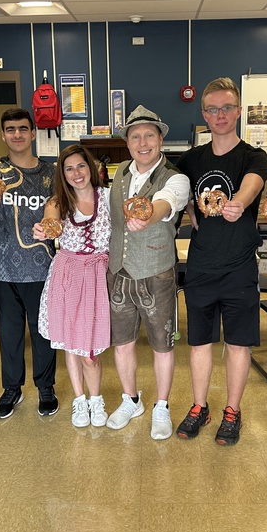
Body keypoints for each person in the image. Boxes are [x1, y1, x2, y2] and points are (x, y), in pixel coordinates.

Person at [175, 77, 267, 445]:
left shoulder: (253, 155)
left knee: (238, 343)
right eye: (212, 109)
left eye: (227, 108)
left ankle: (233, 410)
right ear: (204, 114)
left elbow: (252, 184)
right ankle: (200, 406)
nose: (220, 115)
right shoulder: (191, 159)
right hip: (200, 265)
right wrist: (186, 208)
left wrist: (240, 203)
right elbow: (175, 187)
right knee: (199, 342)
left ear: (239, 111)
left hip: (239, 265)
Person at [105, 105, 189, 440]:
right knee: (122, 342)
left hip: (156, 273)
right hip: (118, 271)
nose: (142, 142)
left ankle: (162, 406)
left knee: (162, 345)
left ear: (160, 139)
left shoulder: (176, 177)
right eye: (135, 136)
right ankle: (131, 400)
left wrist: (147, 215)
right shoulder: (120, 172)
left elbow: (166, 202)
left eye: (149, 136)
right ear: (127, 142)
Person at [0, 108, 57, 419]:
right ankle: (11, 388)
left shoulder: (51, 173)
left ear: (33, 133)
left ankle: (46, 387)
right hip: (3, 268)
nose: (17, 134)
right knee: (9, 333)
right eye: (10, 129)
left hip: (42, 265)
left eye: (23, 129)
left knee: (42, 333)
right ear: (3, 134)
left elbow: (57, 209)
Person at [35, 145, 111, 427]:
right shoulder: (57, 202)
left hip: (97, 275)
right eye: (69, 168)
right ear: (62, 174)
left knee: (90, 350)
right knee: (70, 344)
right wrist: (44, 228)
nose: (76, 173)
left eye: (81, 166)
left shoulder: (108, 197)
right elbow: (50, 222)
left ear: (91, 168)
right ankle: (80, 401)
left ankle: (96, 398)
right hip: (67, 274)